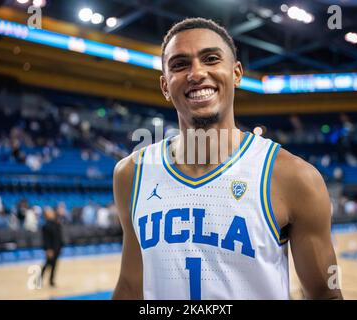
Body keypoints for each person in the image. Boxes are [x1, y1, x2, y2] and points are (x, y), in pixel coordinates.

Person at [112, 18, 342, 300]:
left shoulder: (294, 177)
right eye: (180, 64)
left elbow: (325, 294)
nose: (196, 74)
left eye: (210, 59)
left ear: (236, 73)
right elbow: (130, 287)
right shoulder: (131, 174)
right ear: (164, 86)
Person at [41, 207, 63, 287]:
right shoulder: (46, 226)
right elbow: (46, 240)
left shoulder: (56, 223)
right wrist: (48, 249)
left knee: (54, 265)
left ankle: (51, 281)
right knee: (47, 265)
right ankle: (39, 279)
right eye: (50, 212)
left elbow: (59, 237)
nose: (52, 213)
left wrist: (61, 246)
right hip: (51, 249)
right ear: (46, 215)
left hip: (57, 248)